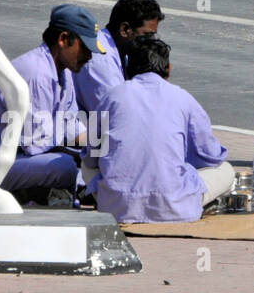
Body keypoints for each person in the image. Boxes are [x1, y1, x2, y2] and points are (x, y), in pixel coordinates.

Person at [84, 36, 234, 223]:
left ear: (127, 67)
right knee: (226, 170)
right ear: (168, 69)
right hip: (175, 207)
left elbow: (91, 156)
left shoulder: (111, 96)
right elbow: (211, 156)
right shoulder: (184, 98)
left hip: (117, 208)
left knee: (86, 166)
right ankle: (195, 202)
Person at [0, 4, 104, 200]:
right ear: (63, 39)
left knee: (95, 161)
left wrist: (100, 147)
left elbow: (70, 125)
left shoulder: (64, 71)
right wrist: (84, 158)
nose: (89, 56)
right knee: (65, 166)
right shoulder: (37, 73)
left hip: (22, 156)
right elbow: (37, 144)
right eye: (85, 48)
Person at [73, 0, 163, 113]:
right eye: (148, 35)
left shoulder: (124, 50)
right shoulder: (100, 59)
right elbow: (116, 114)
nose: (153, 41)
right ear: (125, 30)